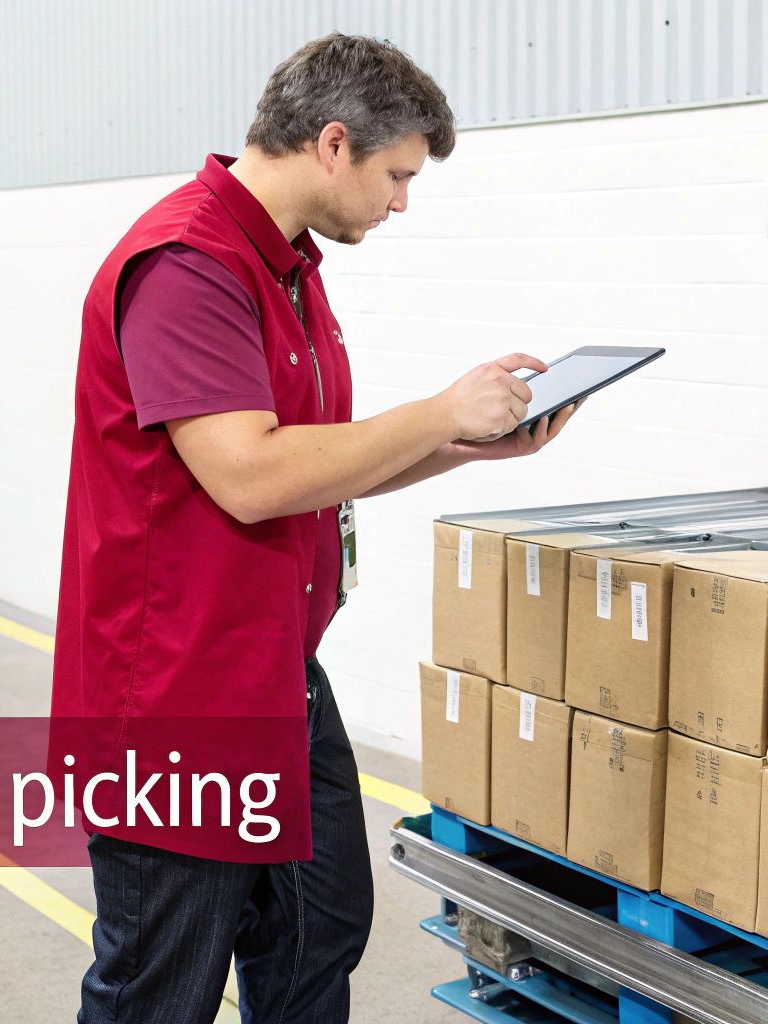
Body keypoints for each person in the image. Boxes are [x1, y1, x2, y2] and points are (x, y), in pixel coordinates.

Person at [53, 33, 577, 1024]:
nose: (400, 201)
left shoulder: (288, 266)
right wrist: (438, 410)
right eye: (396, 175)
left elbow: (315, 461)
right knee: (161, 986)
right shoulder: (187, 265)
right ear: (333, 144)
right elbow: (250, 477)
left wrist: (466, 444)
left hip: (273, 672)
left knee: (315, 936)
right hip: (177, 701)